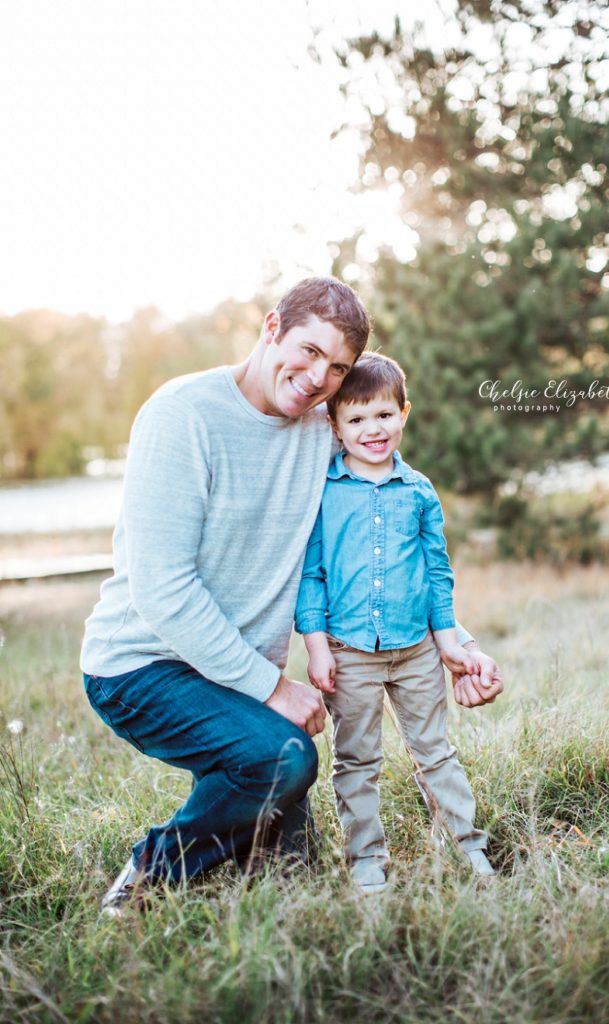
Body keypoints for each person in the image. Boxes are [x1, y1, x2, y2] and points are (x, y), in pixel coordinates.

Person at [81, 277, 371, 915]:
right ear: (272, 327)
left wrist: (444, 640)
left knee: (296, 876)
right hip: (140, 663)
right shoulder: (182, 414)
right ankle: (145, 877)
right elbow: (163, 589)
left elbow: (385, 499)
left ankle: (243, 851)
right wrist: (273, 690)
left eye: (338, 368)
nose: (319, 376)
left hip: (229, 669)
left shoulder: (322, 433)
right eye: (309, 350)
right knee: (282, 759)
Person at [294, 351, 503, 894]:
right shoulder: (322, 494)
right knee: (356, 760)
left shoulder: (419, 492)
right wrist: (317, 648)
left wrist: (451, 642)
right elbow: (310, 575)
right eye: (357, 419)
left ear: (404, 413)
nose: (372, 429)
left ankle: (467, 847)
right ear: (335, 425)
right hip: (349, 650)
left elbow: (438, 575)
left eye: (383, 415)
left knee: (435, 751)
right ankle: (366, 860)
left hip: (416, 651)